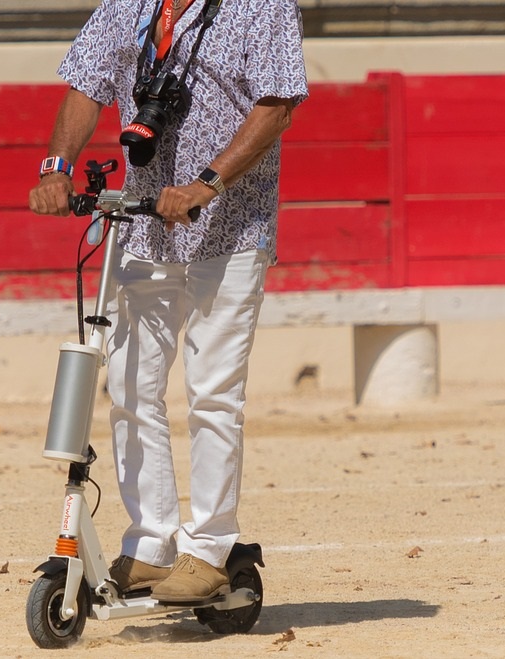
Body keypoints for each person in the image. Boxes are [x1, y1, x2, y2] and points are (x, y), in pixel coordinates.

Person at [27, 0, 308, 602]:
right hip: (145, 221)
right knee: (130, 385)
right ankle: (151, 542)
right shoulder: (128, 3)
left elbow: (277, 106)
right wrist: (56, 167)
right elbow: (86, 83)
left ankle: (207, 547)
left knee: (212, 392)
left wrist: (207, 182)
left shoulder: (263, 6)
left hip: (229, 227)